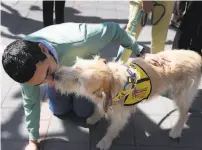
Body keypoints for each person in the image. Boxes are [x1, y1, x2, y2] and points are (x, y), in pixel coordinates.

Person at [2, 22, 146, 150]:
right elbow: (31, 103)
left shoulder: (82, 38)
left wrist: (138, 49)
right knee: (59, 111)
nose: (51, 80)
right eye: (40, 82)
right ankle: (59, 99)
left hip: (85, 79)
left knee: (83, 113)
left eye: (48, 71)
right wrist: (33, 141)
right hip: (69, 78)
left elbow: (115, 30)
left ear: (44, 50)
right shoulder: (23, 70)